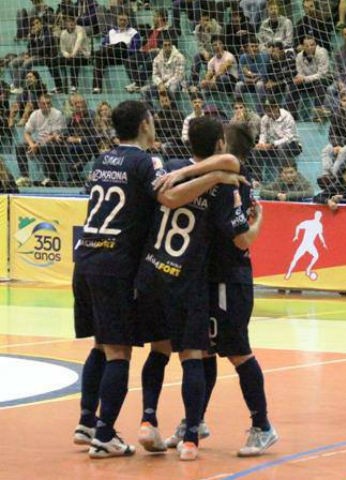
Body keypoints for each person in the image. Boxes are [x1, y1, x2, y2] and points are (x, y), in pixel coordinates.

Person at [71, 100, 242, 459]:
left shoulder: (103, 158)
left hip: (85, 256)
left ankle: (87, 421)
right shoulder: (146, 162)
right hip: (119, 264)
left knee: (102, 345)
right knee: (121, 351)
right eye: (152, 119)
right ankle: (105, 435)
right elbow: (169, 196)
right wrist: (216, 178)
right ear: (145, 124)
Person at [157, 123, 277, 457]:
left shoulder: (231, 182)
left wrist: (257, 225)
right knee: (202, 351)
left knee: (238, 351)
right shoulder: (201, 177)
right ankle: (195, 422)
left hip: (230, 278)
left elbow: (241, 239)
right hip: (203, 278)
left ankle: (263, 425)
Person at [133, 117, 242, 461]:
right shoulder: (224, 185)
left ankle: (148, 419)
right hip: (186, 279)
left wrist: (188, 174)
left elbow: (167, 197)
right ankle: (191, 437)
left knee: (158, 350)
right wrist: (219, 180)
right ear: (220, 144)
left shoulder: (171, 168)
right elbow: (234, 233)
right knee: (192, 356)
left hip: (152, 271)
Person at [15, 93, 66, 187]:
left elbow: (54, 135)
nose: (46, 106)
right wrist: (31, 144)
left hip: (54, 144)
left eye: (48, 103)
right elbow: (26, 133)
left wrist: (37, 145)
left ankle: (51, 177)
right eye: (43, 103)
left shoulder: (57, 114)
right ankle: (25, 177)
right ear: (39, 104)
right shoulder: (35, 114)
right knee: (20, 146)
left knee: (49, 146)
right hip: (38, 143)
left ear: (51, 104)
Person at [251, 98, 302, 182]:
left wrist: (272, 144)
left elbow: (288, 137)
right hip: (273, 146)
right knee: (256, 150)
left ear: (276, 107)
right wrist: (261, 144)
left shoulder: (287, 116)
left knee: (282, 147)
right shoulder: (265, 118)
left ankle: (281, 178)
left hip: (292, 145)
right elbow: (263, 134)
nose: (269, 113)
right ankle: (257, 179)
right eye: (267, 110)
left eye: (271, 109)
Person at [91, 12, 141, 94]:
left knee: (121, 44)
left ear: (128, 21)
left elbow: (135, 48)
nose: (122, 22)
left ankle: (95, 53)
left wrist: (119, 47)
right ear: (117, 20)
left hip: (124, 55)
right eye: (120, 20)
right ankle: (97, 87)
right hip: (111, 56)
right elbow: (104, 44)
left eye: (124, 20)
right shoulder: (112, 32)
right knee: (99, 58)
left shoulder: (133, 32)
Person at [285, 35, 331, 120]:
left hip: (324, 79)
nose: (310, 47)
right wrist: (299, 78)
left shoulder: (322, 52)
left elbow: (322, 73)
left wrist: (304, 79)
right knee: (293, 86)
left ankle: (318, 114)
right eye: (307, 46)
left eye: (312, 45)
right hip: (307, 82)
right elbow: (299, 73)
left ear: (316, 44)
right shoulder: (299, 56)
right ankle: (292, 116)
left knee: (319, 83)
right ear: (303, 46)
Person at [59, 15, 91, 93]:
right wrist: (67, 55)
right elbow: (62, 49)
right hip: (70, 56)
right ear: (65, 23)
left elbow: (78, 41)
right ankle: (58, 87)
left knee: (75, 60)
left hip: (83, 56)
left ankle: (74, 86)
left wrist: (73, 53)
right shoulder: (63, 33)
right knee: (55, 61)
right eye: (68, 21)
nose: (71, 23)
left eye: (72, 21)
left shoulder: (80, 29)